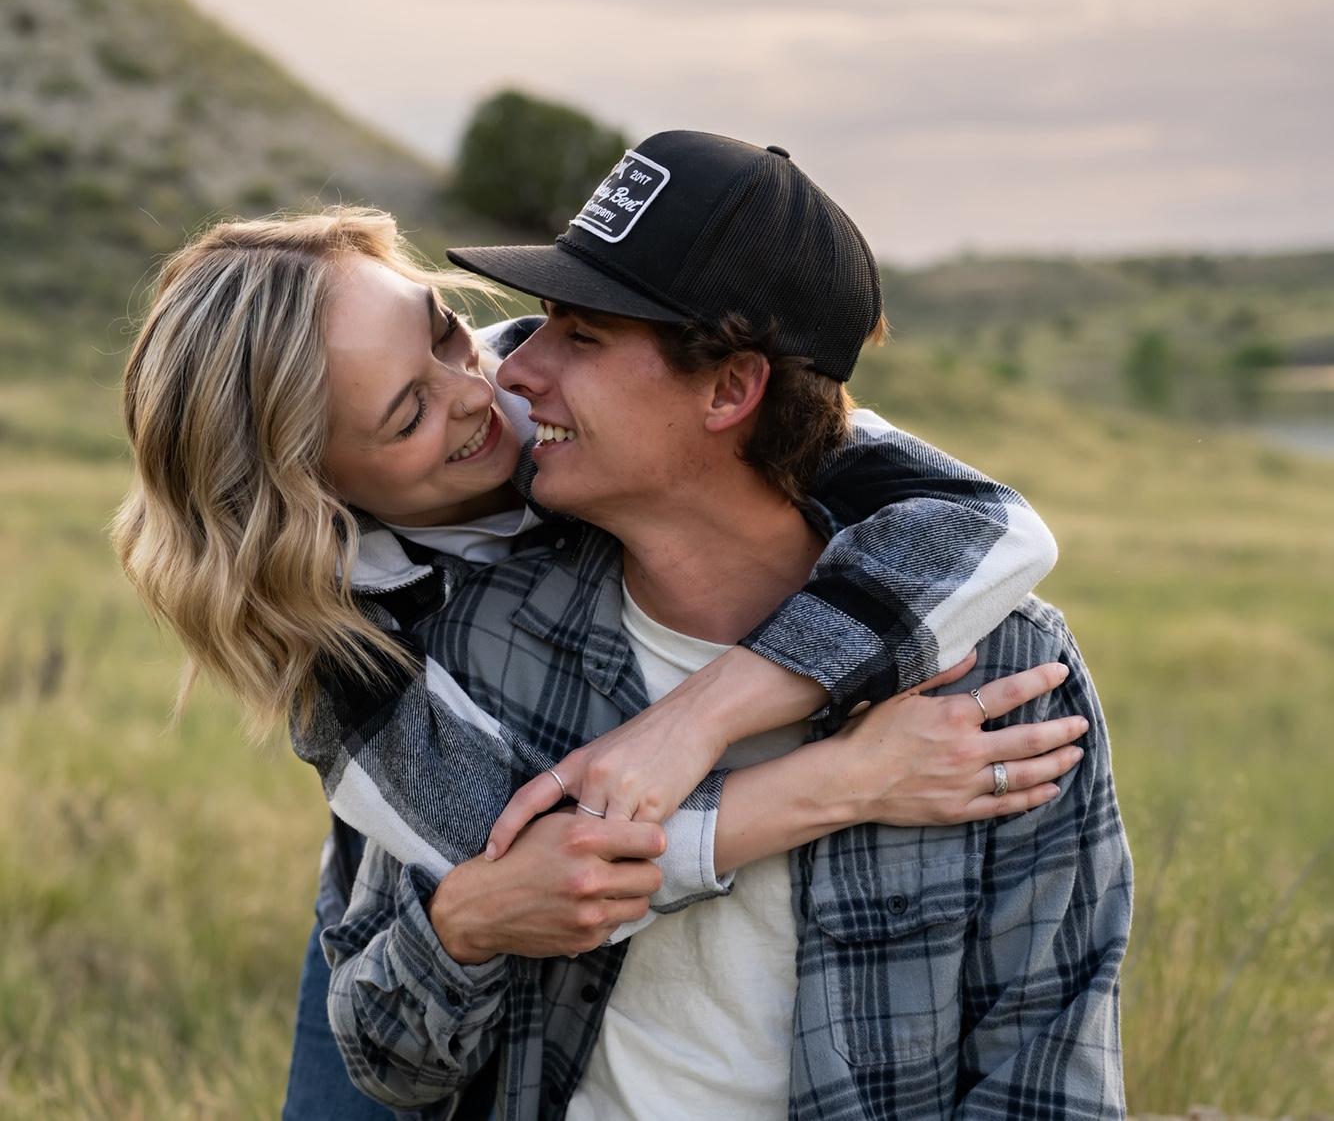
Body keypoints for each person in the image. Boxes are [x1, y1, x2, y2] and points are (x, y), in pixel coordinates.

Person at [111, 204, 1076, 1119]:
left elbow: (986, 522)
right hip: (417, 886)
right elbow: (544, 871)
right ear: (310, 492)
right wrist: (847, 781)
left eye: (446, 334)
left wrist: (693, 721)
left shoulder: (548, 385)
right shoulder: (339, 649)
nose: (481, 392)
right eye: (407, 418)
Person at [326, 132, 1133, 1118]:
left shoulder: (1005, 673)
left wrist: (700, 727)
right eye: (541, 323)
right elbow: (390, 1060)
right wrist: (460, 928)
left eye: (582, 335)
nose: (514, 370)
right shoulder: (474, 646)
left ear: (729, 390)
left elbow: (1045, 1071)